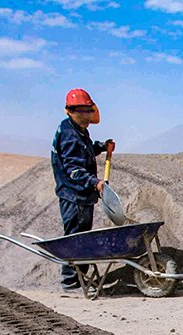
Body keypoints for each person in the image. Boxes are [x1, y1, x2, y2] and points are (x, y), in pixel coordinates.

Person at [51, 88, 113, 293]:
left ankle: (79, 279)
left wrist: (101, 147)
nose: (87, 116)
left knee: (82, 238)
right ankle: (70, 283)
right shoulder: (69, 134)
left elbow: (84, 151)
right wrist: (94, 182)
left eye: (88, 111)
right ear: (70, 111)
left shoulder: (78, 129)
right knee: (75, 239)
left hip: (82, 195)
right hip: (74, 195)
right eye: (82, 112)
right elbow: (73, 169)